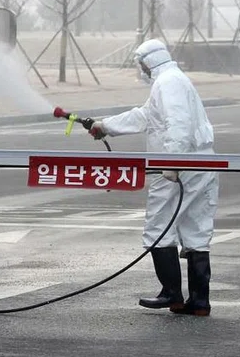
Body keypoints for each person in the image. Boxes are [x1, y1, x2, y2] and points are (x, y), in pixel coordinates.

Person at [88, 39, 219, 317]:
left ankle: (171, 293)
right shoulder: (173, 79)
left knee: (158, 227)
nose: (140, 69)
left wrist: (173, 162)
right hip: (199, 163)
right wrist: (106, 126)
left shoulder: (167, 83)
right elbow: (146, 116)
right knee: (196, 230)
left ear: (147, 62)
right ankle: (198, 302)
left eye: (140, 64)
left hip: (178, 167)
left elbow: (178, 123)